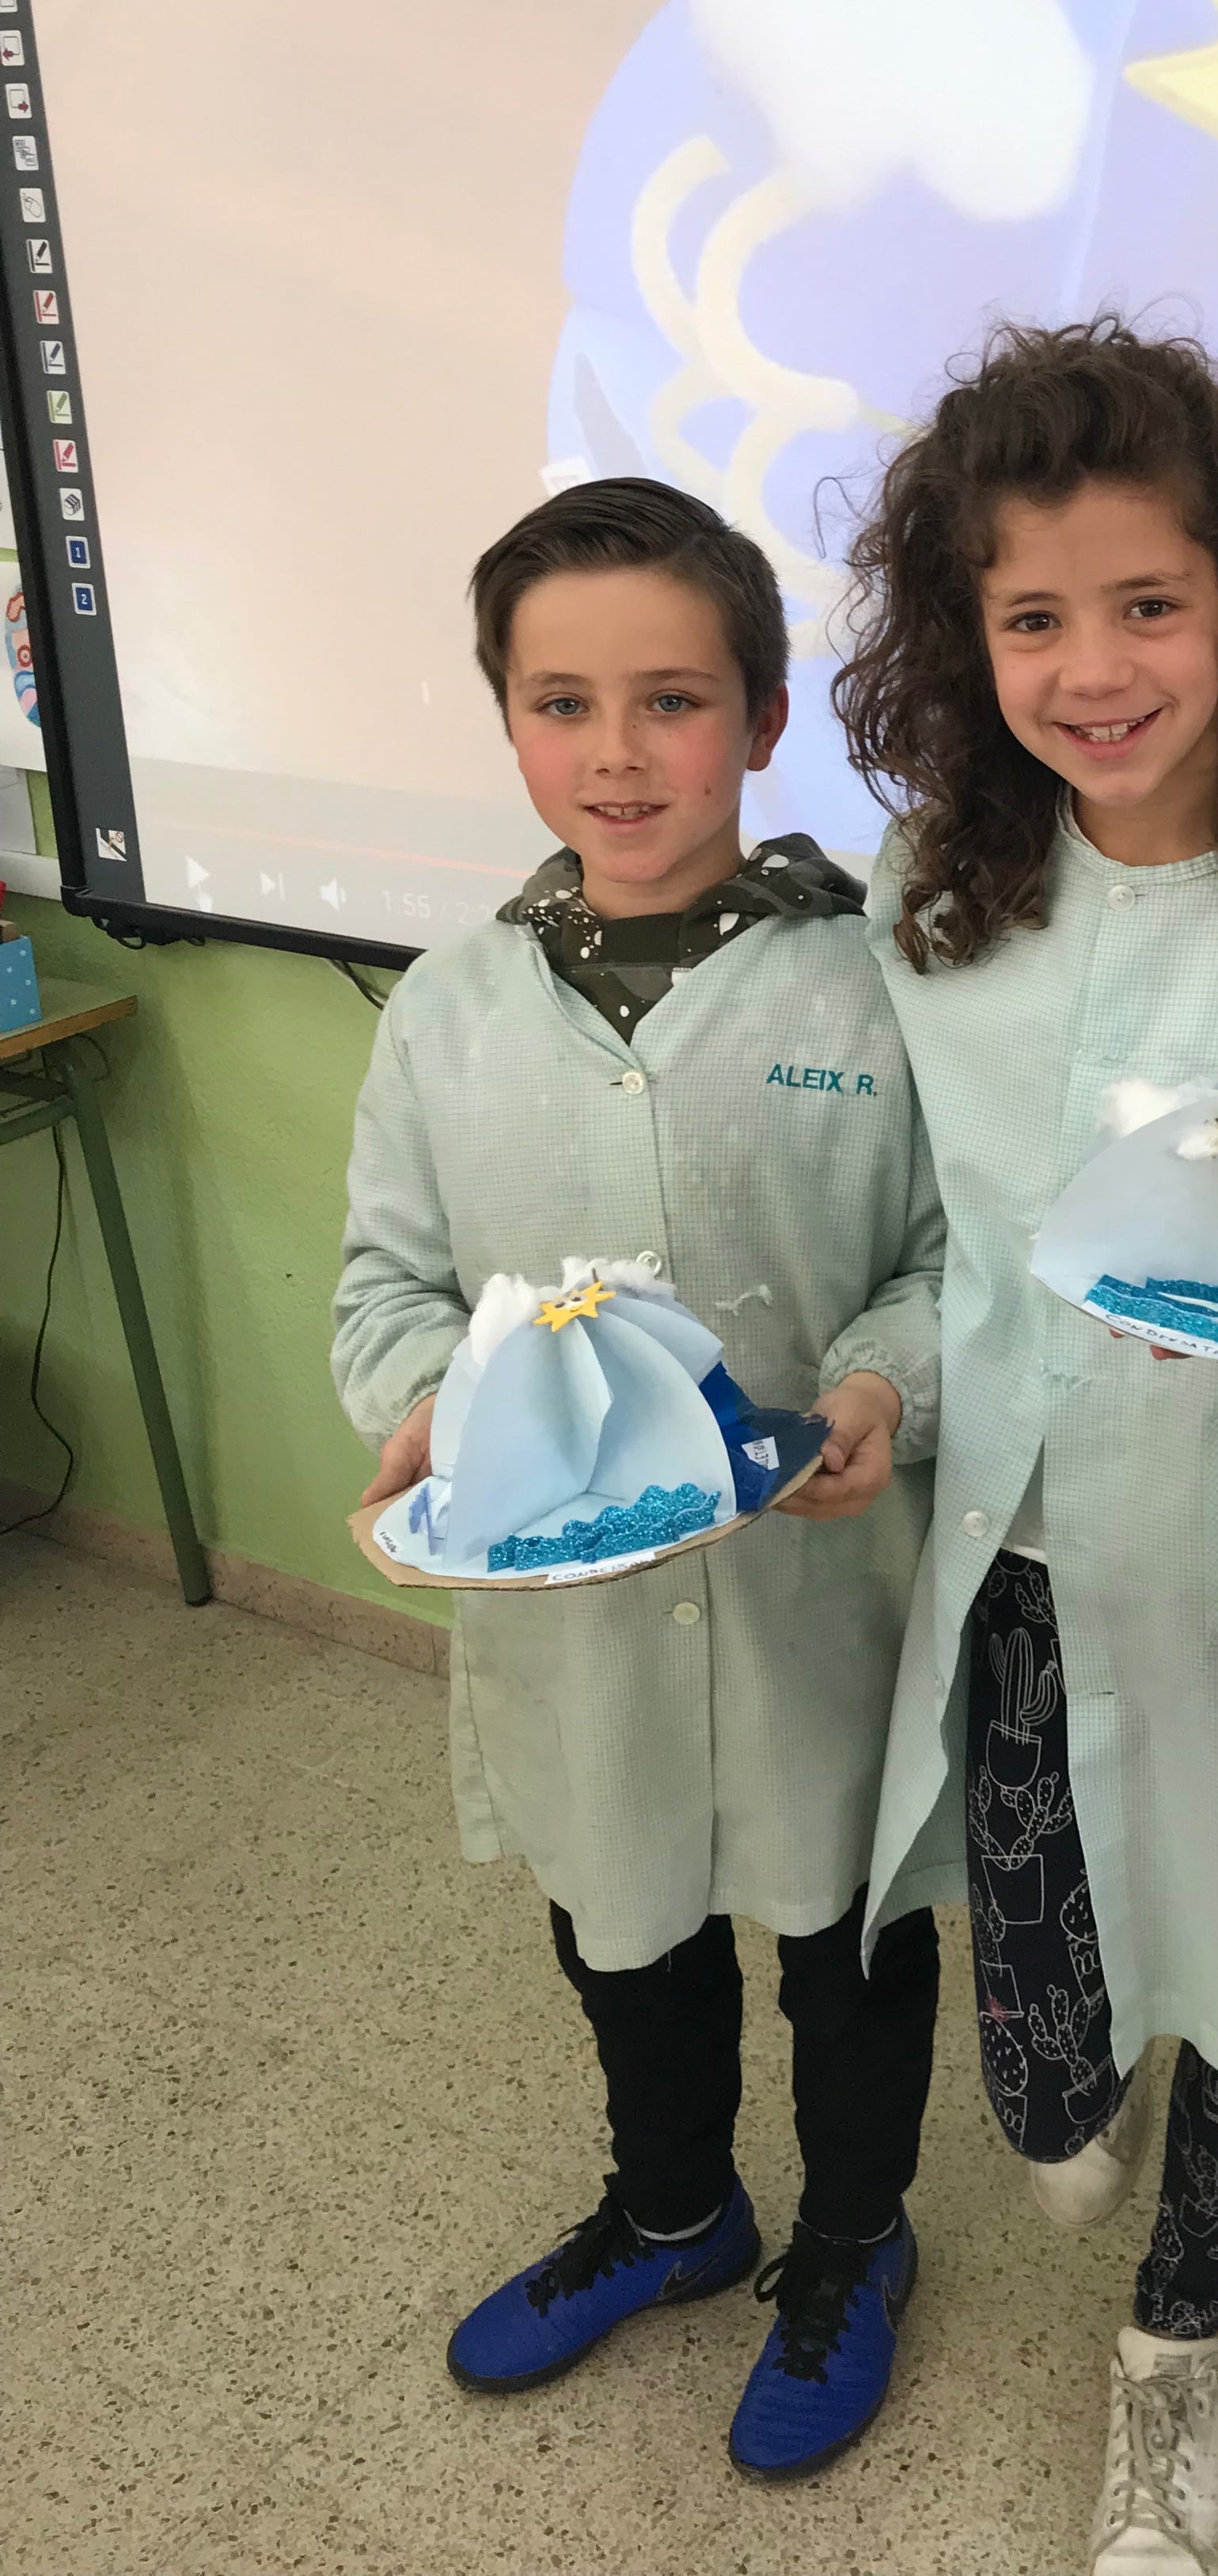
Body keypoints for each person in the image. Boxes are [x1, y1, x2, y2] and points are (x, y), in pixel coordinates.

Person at [834, 316, 1218, 2576]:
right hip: (1016, 1558)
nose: (1094, 670)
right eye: (1033, 618)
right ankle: (1070, 2098)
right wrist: (880, 1387)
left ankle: (1180, 2351)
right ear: (964, 637)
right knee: (1041, 2063)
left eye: (1148, 605)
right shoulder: (932, 905)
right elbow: (935, 1251)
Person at [332, 479, 947, 2480]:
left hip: (822, 1589)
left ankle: (854, 2239)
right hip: (574, 1608)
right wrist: (433, 1409)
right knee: (625, 1915)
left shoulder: (881, 985)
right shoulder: (448, 1012)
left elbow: (956, 1256)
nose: (618, 754)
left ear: (761, 719)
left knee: (847, 1937)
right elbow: (386, 1290)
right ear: (508, 718)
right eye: (562, 704)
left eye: (672, 701)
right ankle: (678, 2214)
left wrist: (881, 1382)